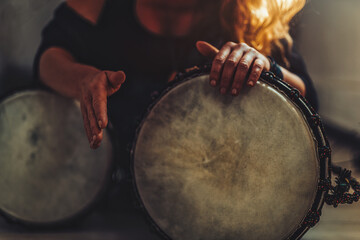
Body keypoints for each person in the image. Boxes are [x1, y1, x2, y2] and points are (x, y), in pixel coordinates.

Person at [34, 0, 317, 154]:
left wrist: (267, 69)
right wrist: (82, 78)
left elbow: (308, 100)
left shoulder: (249, 9)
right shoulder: (97, 4)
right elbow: (49, 58)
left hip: (211, 188)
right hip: (106, 190)